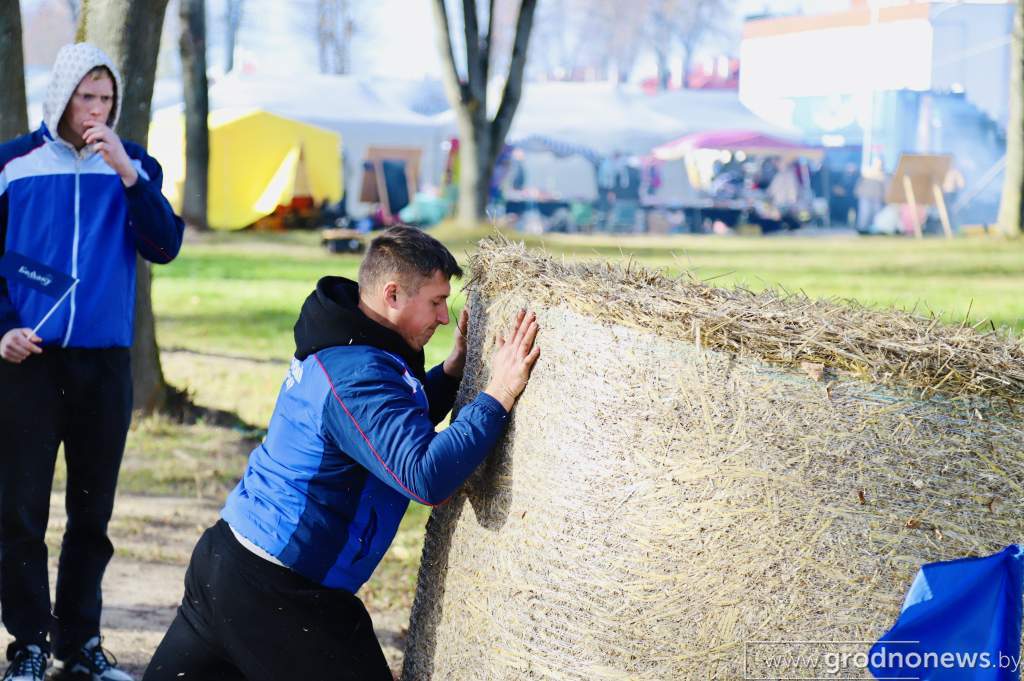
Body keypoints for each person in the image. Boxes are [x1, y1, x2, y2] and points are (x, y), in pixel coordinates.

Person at [143, 226, 541, 681]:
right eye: (435, 302)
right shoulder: (357, 373)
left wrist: (450, 373)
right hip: (281, 590)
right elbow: (423, 475)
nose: (443, 318)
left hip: (229, 560)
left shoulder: (348, 340)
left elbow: (380, 432)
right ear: (393, 294)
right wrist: (498, 394)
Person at [0, 43, 184, 681]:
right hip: (28, 365)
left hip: (104, 366)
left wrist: (130, 177)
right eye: (87, 97)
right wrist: (4, 330)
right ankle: (25, 643)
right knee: (20, 509)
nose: (97, 111)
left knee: (92, 512)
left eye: (107, 100)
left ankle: (80, 642)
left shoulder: (135, 165)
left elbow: (164, 245)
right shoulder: (12, 166)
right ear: (61, 96)